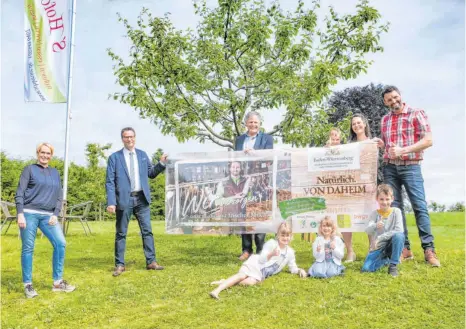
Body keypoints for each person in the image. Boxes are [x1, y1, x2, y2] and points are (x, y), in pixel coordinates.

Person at [376, 85, 440, 267]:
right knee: (395, 209)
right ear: (385, 102)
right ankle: (405, 248)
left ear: (400, 96)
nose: (393, 101)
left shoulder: (416, 113)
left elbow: (429, 140)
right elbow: (388, 144)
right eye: (389, 100)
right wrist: (383, 144)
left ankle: (429, 249)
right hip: (390, 167)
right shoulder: (385, 119)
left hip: (411, 167)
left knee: (419, 207)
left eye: (395, 97)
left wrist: (404, 150)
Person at [15, 143, 75, 298]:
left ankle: (57, 282)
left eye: (48, 153)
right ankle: (28, 285)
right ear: (37, 153)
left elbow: (59, 195)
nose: (45, 156)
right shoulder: (29, 169)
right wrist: (20, 213)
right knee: (28, 247)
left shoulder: (55, 172)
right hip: (29, 213)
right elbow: (20, 192)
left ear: (51, 155)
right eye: (42, 152)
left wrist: (56, 213)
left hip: (49, 215)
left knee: (60, 243)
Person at [106, 127, 168, 276]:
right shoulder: (115, 157)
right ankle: (120, 264)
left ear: (135, 137)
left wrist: (161, 164)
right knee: (121, 233)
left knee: (147, 231)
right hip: (124, 199)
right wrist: (111, 202)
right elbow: (109, 181)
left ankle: (151, 262)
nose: (129, 139)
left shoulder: (142, 155)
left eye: (132, 136)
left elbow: (151, 174)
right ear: (122, 139)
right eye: (126, 137)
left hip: (142, 199)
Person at [209, 222, 307, 299]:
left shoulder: (289, 252)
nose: (285, 238)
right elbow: (262, 258)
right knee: (242, 275)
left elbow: (292, 267)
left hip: (261, 272)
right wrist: (271, 254)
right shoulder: (272, 243)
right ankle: (216, 291)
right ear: (278, 235)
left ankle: (226, 281)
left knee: (251, 282)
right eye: (283, 235)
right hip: (256, 263)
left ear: (291, 236)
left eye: (287, 235)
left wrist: (299, 270)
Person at [235, 111, 274, 261]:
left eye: (256, 122)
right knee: (243, 214)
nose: (253, 125)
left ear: (260, 124)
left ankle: (260, 250)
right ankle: (246, 250)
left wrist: (254, 154)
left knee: (259, 214)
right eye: (250, 122)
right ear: (246, 123)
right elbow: (234, 159)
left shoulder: (267, 138)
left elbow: (270, 157)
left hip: (260, 181)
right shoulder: (239, 140)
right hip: (243, 180)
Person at [342, 113, 374, 262]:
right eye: (354, 124)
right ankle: (350, 251)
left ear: (365, 124)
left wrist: (371, 182)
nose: (356, 126)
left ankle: (372, 249)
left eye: (359, 123)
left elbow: (374, 166)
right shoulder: (348, 145)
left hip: (367, 185)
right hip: (350, 185)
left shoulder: (372, 143)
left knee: (369, 216)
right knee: (346, 216)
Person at [361, 184, 404, 277]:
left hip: (391, 243)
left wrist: (380, 238)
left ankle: (393, 265)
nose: (385, 202)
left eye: (387, 199)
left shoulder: (396, 211)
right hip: (379, 247)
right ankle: (385, 259)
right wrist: (375, 225)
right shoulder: (374, 214)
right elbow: (368, 231)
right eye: (381, 199)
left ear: (392, 199)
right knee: (366, 268)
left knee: (399, 236)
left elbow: (399, 230)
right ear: (377, 199)